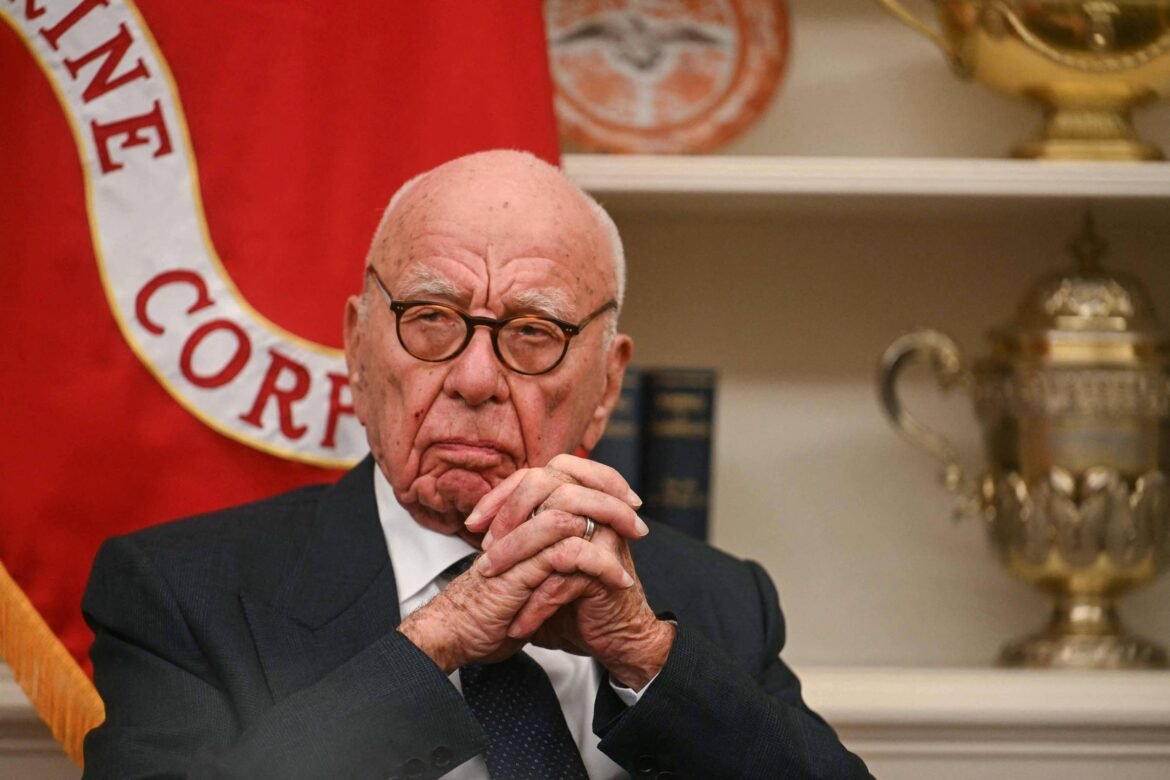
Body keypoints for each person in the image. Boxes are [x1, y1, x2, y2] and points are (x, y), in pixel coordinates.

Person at [82, 150, 871, 779]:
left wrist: (644, 654)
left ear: (606, 386)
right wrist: (435, 645)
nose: (475, 378)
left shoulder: (715, 601)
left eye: (533, 333)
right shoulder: (180, 594)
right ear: (358, 350)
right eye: (431, 319)